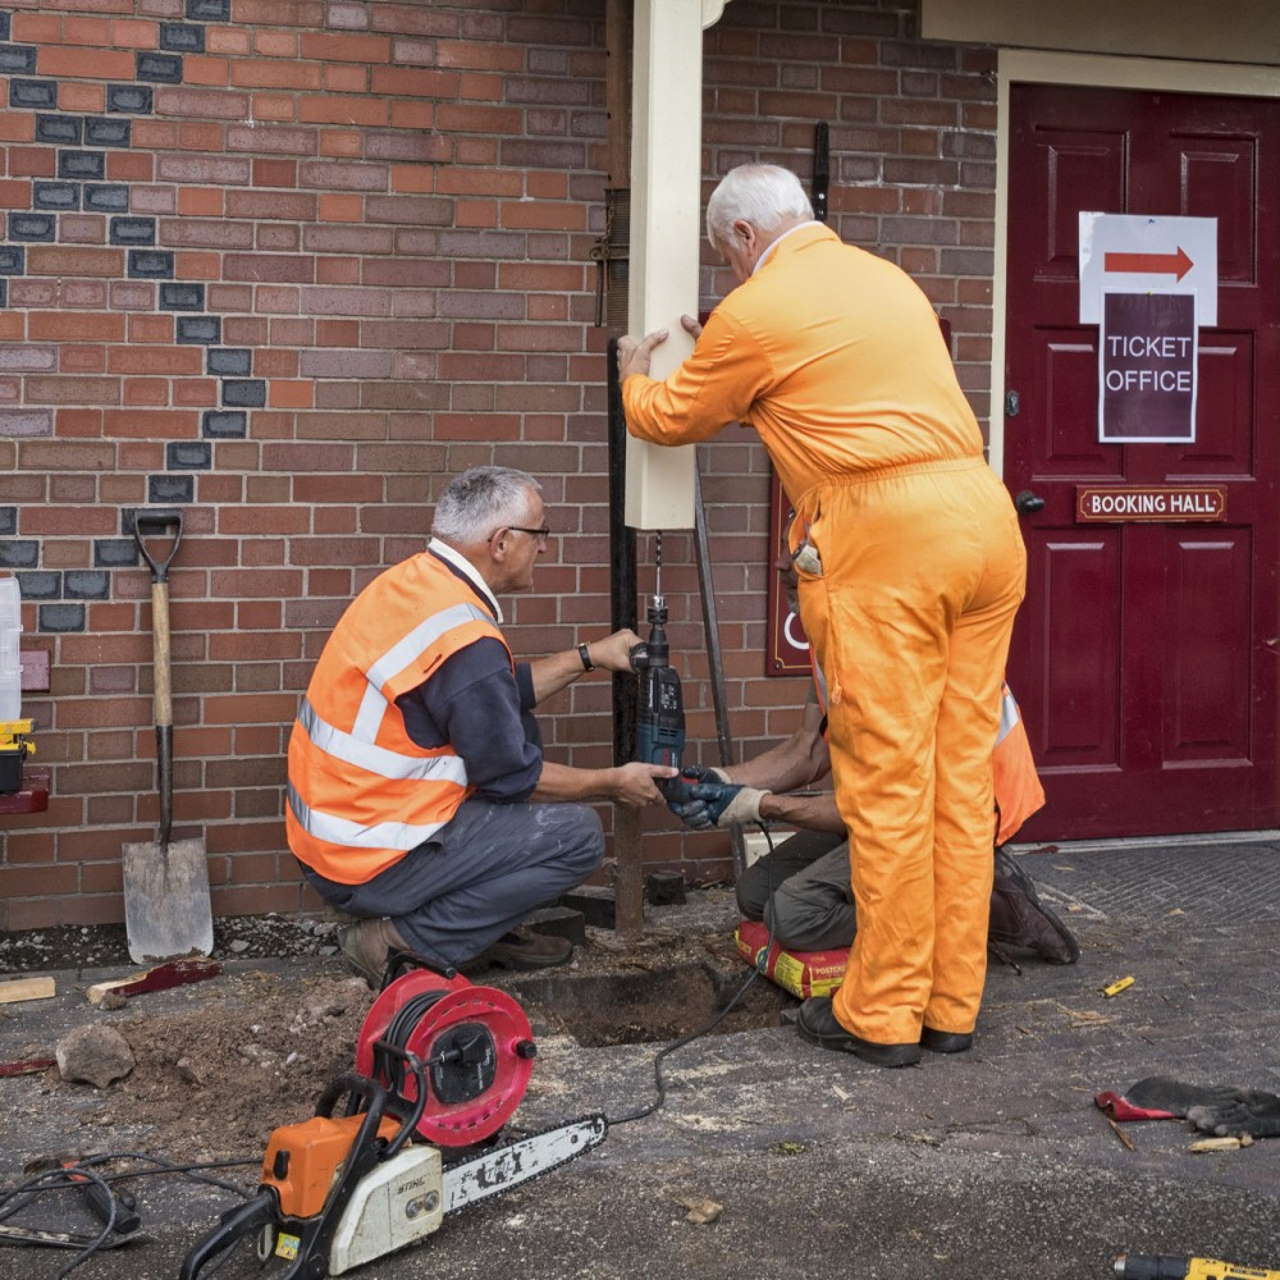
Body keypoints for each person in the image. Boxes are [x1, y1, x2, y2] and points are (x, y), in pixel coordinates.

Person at [619, 163, 1027, 1066]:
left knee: (885, 787)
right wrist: (733, 335)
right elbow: (822, 373)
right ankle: (950, 1003)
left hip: (886, 538)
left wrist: (633, 378)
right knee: (958, 780)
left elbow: (671, 417)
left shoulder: (761, 312)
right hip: (983, 522)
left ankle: (879, 1014)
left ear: (741, 240)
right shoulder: (887, 280)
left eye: (728, 261)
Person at [285, 465, 676, 985]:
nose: (544, 548)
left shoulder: (414, 584)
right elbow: (510, 774)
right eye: (540, 534)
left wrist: (588, 657)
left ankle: (485, 924)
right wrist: (614, 782)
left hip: (340, 837)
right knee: (578, 836)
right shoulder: (466, 639)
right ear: (501, 542)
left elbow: (489, 697)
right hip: (371, 859)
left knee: (515, 734)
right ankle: (401, 942)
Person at [666, 545, 1074, 968]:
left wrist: (760, 805)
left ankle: (974, 909)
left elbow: (881, 801)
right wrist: (721, 780)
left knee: (795, 917)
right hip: (895, 806)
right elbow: (807, 750)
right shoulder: (837, 636)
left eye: (801, 551)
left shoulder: (891, 655)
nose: (781, 563)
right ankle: (944, 894)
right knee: (756, 892)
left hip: (958, 812)